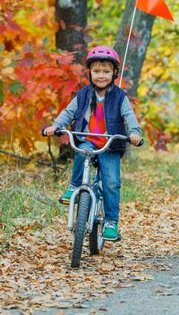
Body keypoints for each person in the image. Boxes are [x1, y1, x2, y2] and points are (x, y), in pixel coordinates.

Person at [43, 45, 142, 241]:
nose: (101, 76)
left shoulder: (120, 97)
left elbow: (129, 116)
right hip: (88, 139)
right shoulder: (83, 94)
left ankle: (111, 222)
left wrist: (134, 133)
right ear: (90, 73)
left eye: (106, 72)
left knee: (111, 182)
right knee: (81, 152)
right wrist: (56, 126)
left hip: (110, 144)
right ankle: (74, 187)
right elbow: (69, 113)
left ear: (115, 73)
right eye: (97, 71)